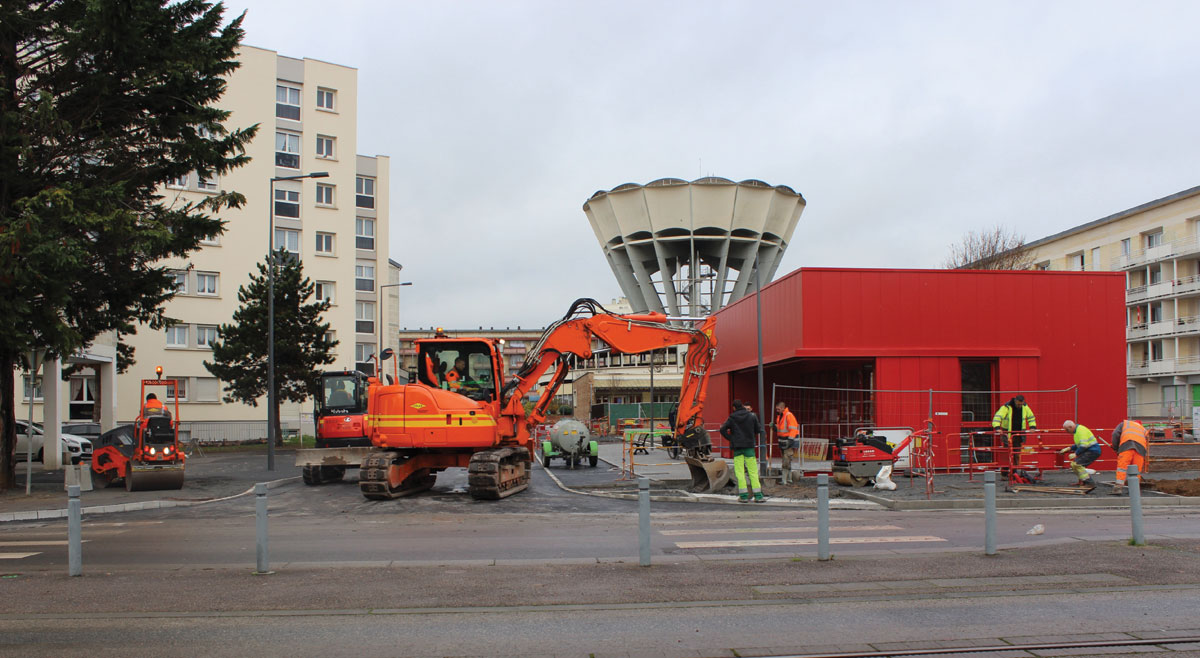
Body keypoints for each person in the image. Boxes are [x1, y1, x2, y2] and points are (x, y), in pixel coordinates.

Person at [720, 400, 766, 503]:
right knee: (753, 472)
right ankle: (758, 496)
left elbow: (722, 430)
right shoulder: (752, 416)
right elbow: (758, 430)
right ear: (742, 406)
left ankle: (743, 496)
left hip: (737, 449)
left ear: (734, 408)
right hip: (749, 447)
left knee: (740, 473)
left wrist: (731, 438)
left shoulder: (732, 417)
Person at [993, 395, 1037, 468]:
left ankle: (1015, 471)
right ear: (1015, 401)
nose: (1020, 405)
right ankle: (1006, 472)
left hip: (1019, 434)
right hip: (1007, 433)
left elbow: (1031, 417)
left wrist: (1032, 427)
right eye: (1019, 404)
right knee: (1007, 453)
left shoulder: (1025, 407)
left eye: (1021, 404)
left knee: (1017, 453)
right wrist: (997, 427)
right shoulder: (1006, 407)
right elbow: (998, 417)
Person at [1110, 419, 1149, 495]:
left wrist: (1116, 447)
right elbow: (1145, 442)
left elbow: (1115, 434)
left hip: (1126, 445)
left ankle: (1118, 488)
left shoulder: (1125, 424)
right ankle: (1135, 489)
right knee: (1136, 470)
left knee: (1122, 468)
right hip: (1141, 448)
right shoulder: (1143, 429)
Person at [1059, 420, 1100, 487]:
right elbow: (1078, 445)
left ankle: (1089, 483)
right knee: (1074, 465)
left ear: (1070, 427)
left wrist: (1076, 454)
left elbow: (1084, 445)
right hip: (1090, 450)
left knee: (1077, 464)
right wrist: (1069, 448)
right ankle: (1084, 482)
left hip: (1093, 451)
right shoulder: (1077, 431)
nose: (1067, 432)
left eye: (1067, 430)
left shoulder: (1080, 431)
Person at [774, 401, 800, 483]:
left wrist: (790, 440)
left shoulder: (788, 415)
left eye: (778, 409)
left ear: (782, 408)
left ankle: (784, 480)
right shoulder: (780, 416)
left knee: (786, 460)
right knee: (786, 460)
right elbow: (780, 429)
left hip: (788, 441)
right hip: (783, 441)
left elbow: (793, 429)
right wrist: (774, 427)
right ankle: (789, 479)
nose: (777, 411)